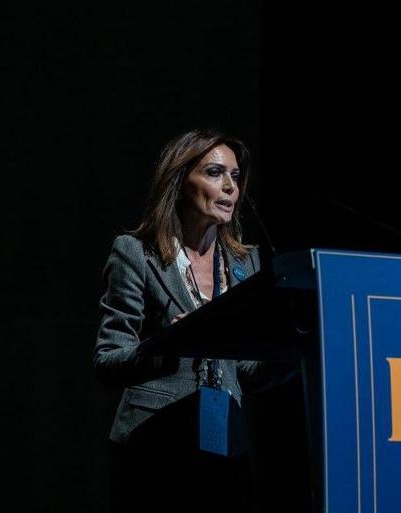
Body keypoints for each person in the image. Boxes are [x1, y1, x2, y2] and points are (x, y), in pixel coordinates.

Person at [94, 129, 284, 512]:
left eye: (235, 176)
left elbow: (244, 371)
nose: (230, 186)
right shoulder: (136, 254)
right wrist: (169, 346)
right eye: (215, 173)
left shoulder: (245, 262)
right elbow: (107, 362)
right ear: (180, 181)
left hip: (225, 444)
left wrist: (292, 353)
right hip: (154, 442)